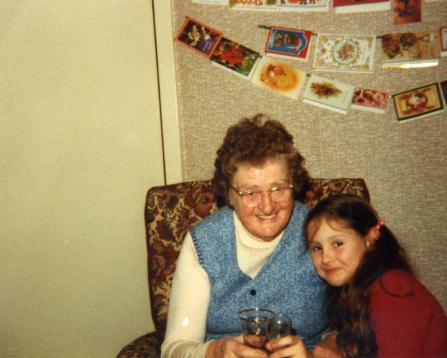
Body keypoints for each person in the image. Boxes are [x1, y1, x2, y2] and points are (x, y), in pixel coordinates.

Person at [161, 114, 330, 358]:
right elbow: (174, 348)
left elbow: (357, 327)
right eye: (250, 192)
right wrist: (216, 351)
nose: (268, 206)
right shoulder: (204, 240)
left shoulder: (321, 230)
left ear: (294, 183)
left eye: (278, 188)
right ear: (228, 195)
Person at [268, 194, 447, 358]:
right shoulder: (353, 289)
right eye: (317, 247)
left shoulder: (391, 288)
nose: (326, 258)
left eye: (338, 243)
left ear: (370, 238)